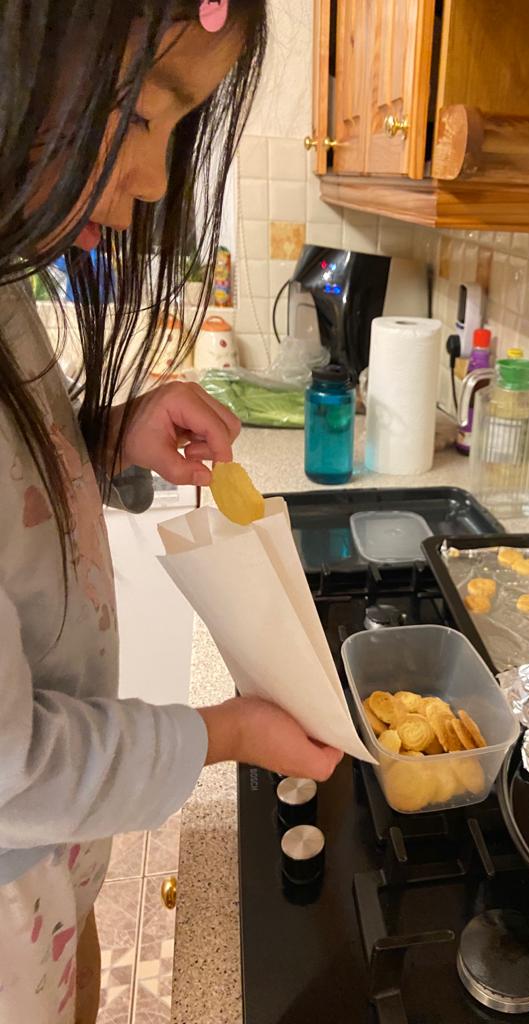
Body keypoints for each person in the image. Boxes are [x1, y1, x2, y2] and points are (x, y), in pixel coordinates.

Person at [0, 3, 342, 1021]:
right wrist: (229, 732)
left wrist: (106, 430)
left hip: (49, 859)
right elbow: (12, 767)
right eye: (147, 115)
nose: (156, 179)